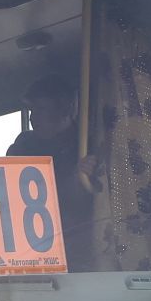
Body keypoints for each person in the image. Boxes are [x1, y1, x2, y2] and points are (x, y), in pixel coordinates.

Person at [7, 75, 99, 270]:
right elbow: (15, 198)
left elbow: (90, 201)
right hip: (31, 252)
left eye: (40, 109)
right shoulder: (23, 146)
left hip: (80, 250)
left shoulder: (88, 145)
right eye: (31, 110)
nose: (33, 117)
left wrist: (80, 177)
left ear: (66, 109)